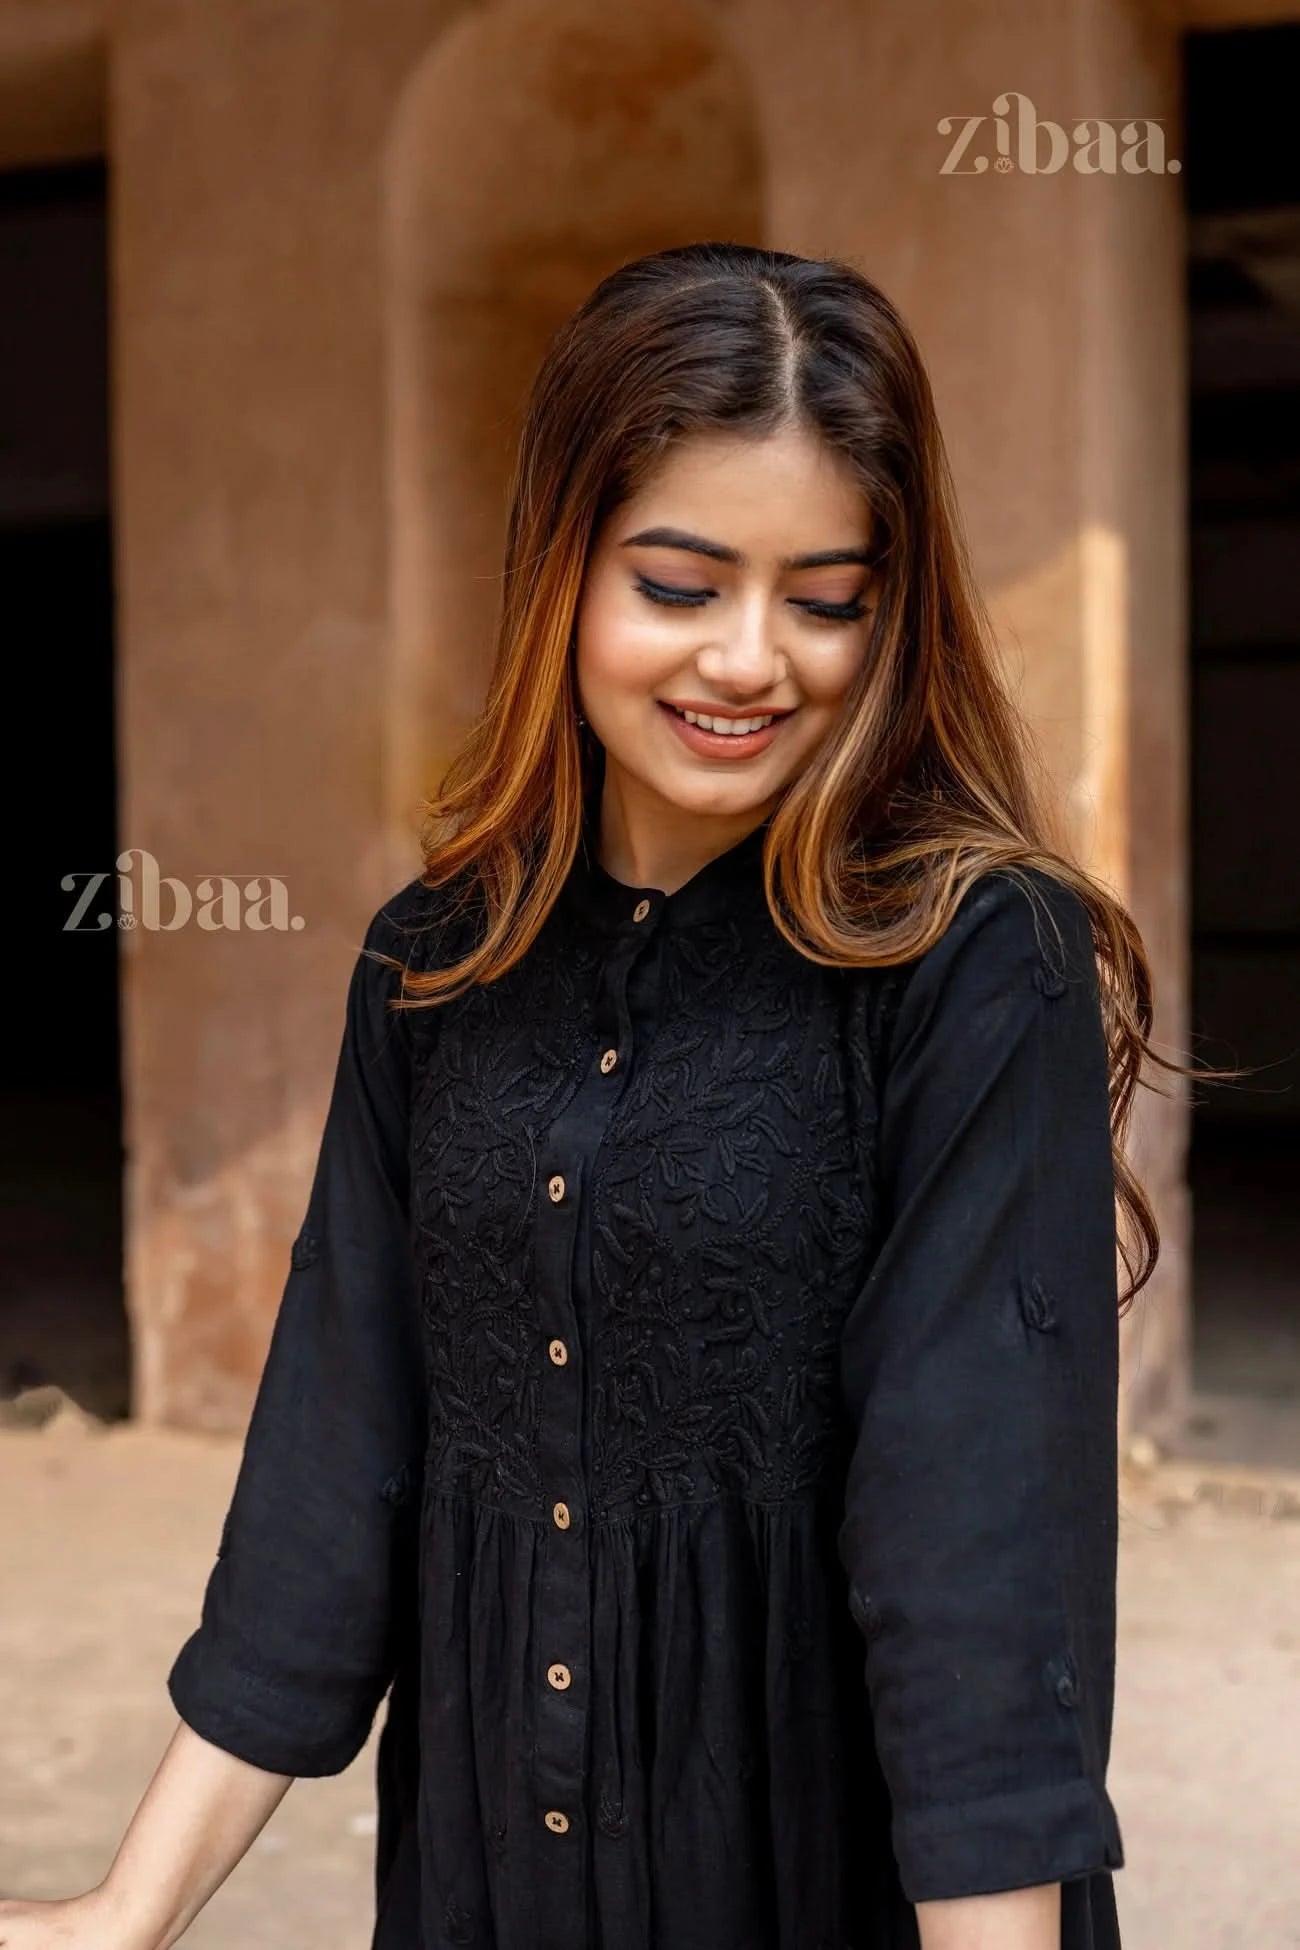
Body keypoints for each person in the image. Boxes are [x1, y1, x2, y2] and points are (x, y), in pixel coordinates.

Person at [0, 242, 1167, 1950]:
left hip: (810, 1876)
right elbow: (340, 1455)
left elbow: (976, 1530)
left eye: (827, 596)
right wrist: (124, 1913)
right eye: (681, 584)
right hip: (492, 1871)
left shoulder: (970, 956)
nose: (753, 659)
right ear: (563, 567)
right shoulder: (437, 959)